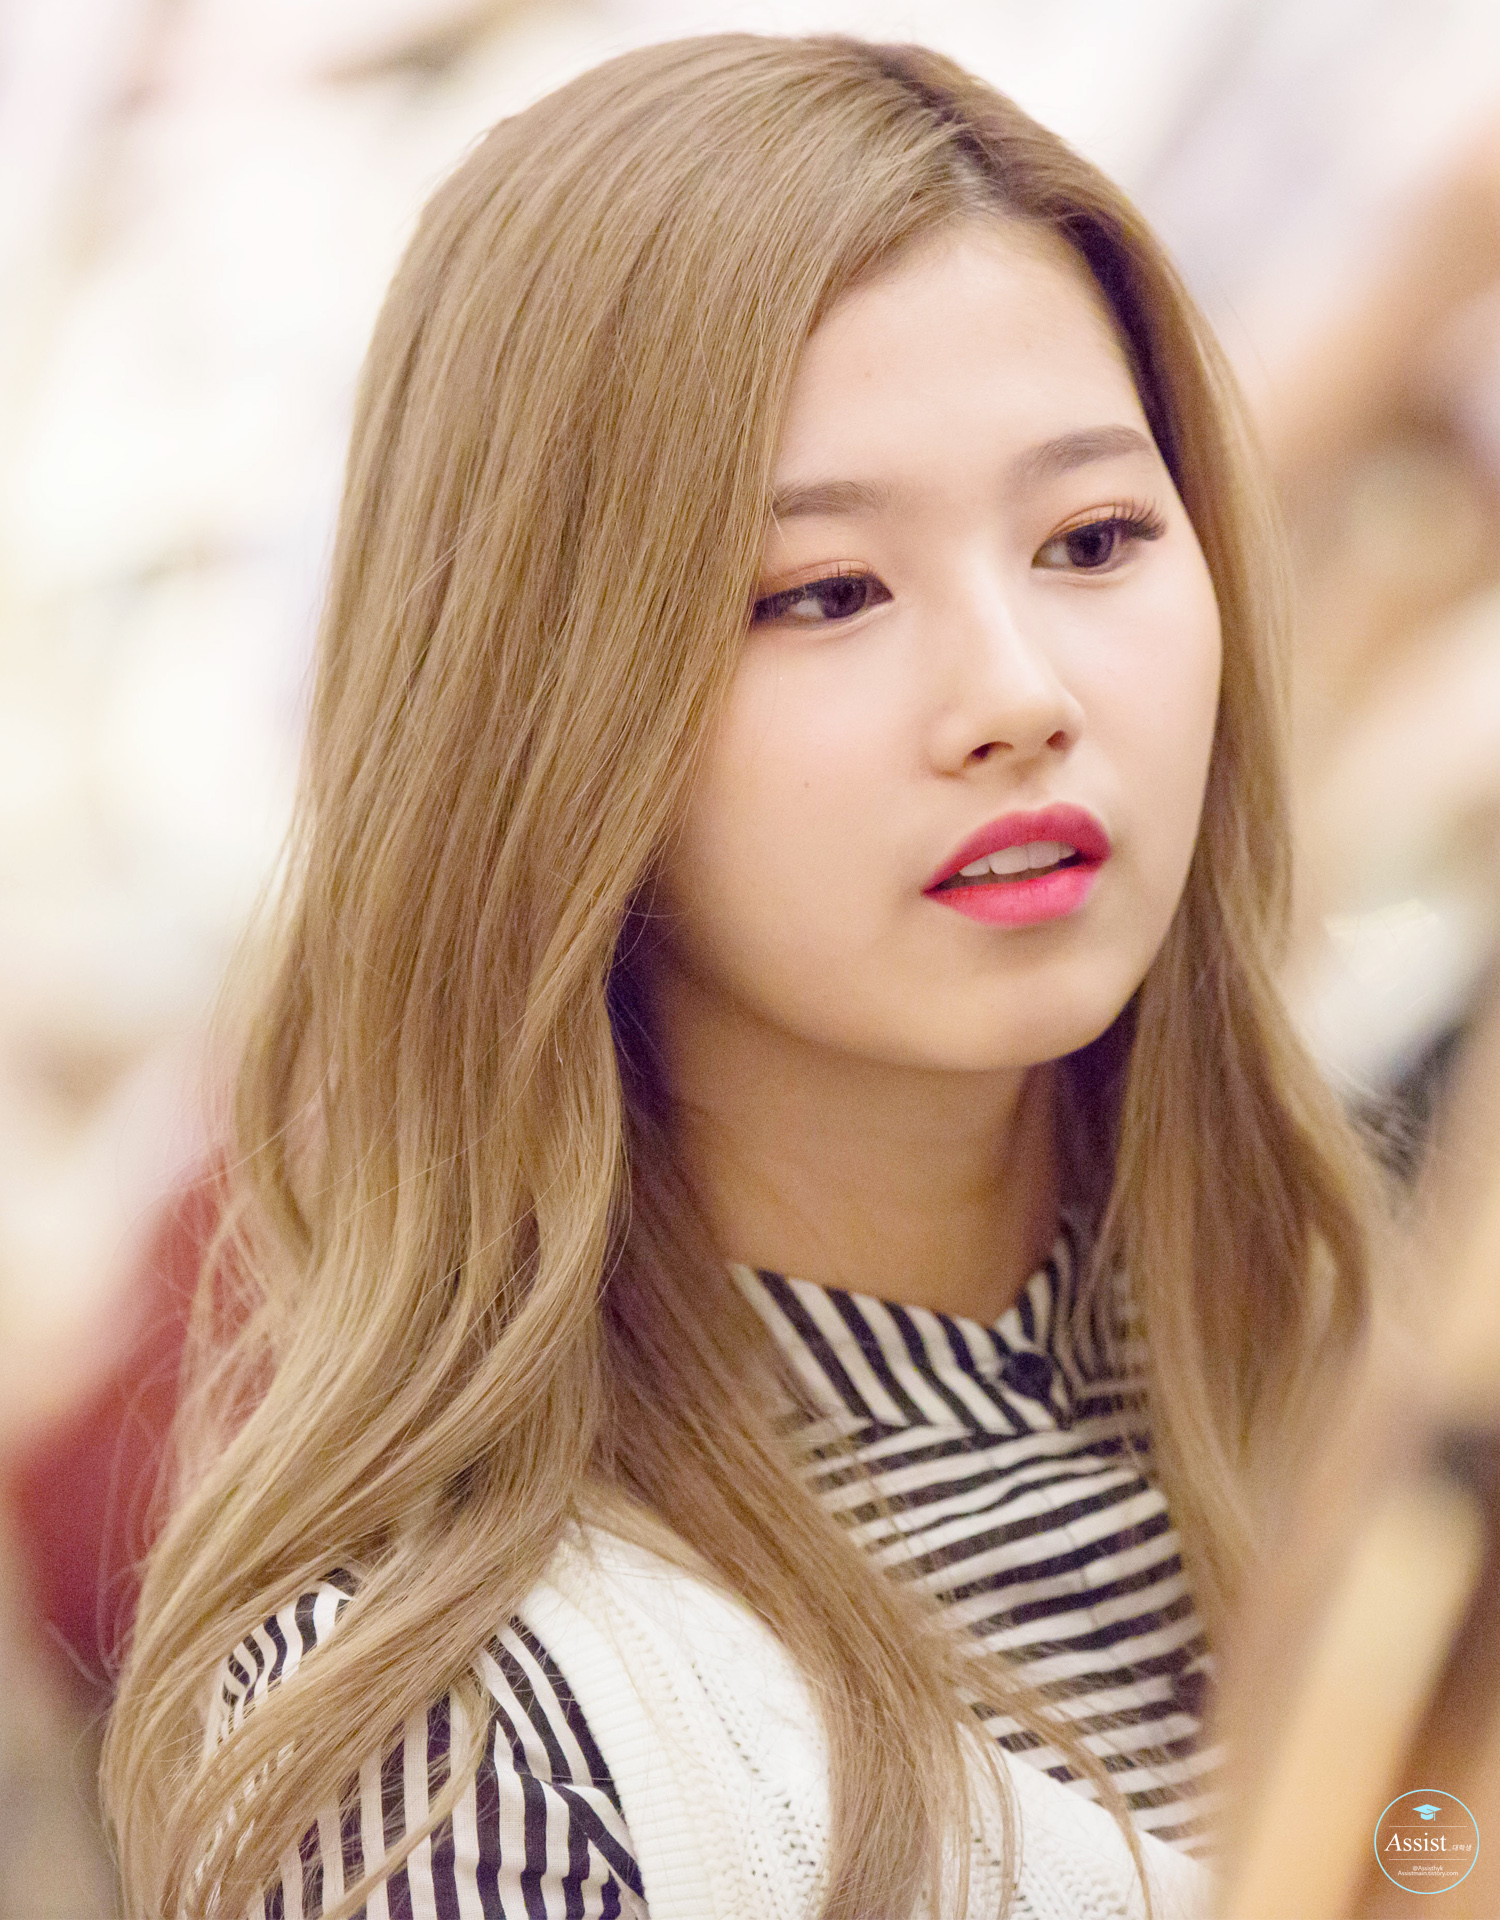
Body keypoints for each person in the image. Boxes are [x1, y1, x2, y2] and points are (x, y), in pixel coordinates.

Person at [100, 33, 1377, 1920]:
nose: (1019, 691)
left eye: (1094, 538)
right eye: (824, 592)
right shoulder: (466, 1748)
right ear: (542, 706)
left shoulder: (1359, 1393)